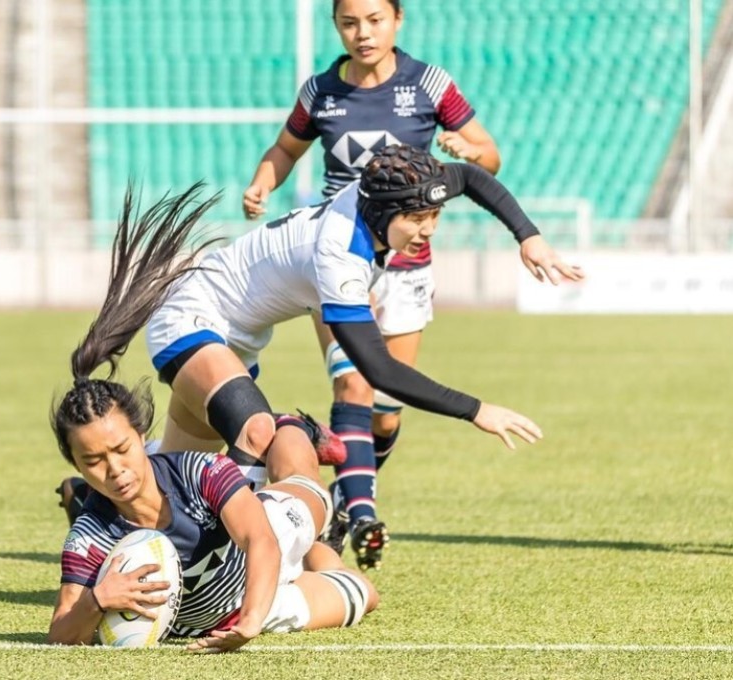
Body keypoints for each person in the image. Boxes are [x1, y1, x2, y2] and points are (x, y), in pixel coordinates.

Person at [241, 0, 583, 567]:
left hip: (407, 266)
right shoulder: (320, 92)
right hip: (340, 262)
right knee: (354, 384)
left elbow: (488, 157)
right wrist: (262, 182)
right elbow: (286, 148)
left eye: (374, 20)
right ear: (336, 26)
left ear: (397, 20)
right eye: (349, 22)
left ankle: (346, 497)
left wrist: (471, 151)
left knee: (387, 406)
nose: (363, 32)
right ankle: (362, 515)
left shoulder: (429, 84)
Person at [148, 144, 564, 573]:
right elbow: (380, 370)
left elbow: (472, 177)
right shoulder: (340, 256)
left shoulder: (382, 196)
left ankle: (116, 514)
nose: (428, 229)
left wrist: (528, 236)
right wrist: (476, 410)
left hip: (238, 340)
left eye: (434, 215)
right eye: (416, 219)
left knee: (170, 479)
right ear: (383, 214)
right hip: (189, 318)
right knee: (256, 430)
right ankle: (229, 568)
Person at [46, 188, 378, 652]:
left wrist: (252, 622)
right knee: (362, 591)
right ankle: (321, 552)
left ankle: (295, 430)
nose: (115, 469)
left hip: (268, 542)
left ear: (141, 437)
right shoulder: (90, 533)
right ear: (77, 466)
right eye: (94, 461)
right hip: (234, 609)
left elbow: (261, 541)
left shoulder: (194, 471)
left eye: (121, 450)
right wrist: (99, 599)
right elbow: (60, 633)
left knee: (295, 470)